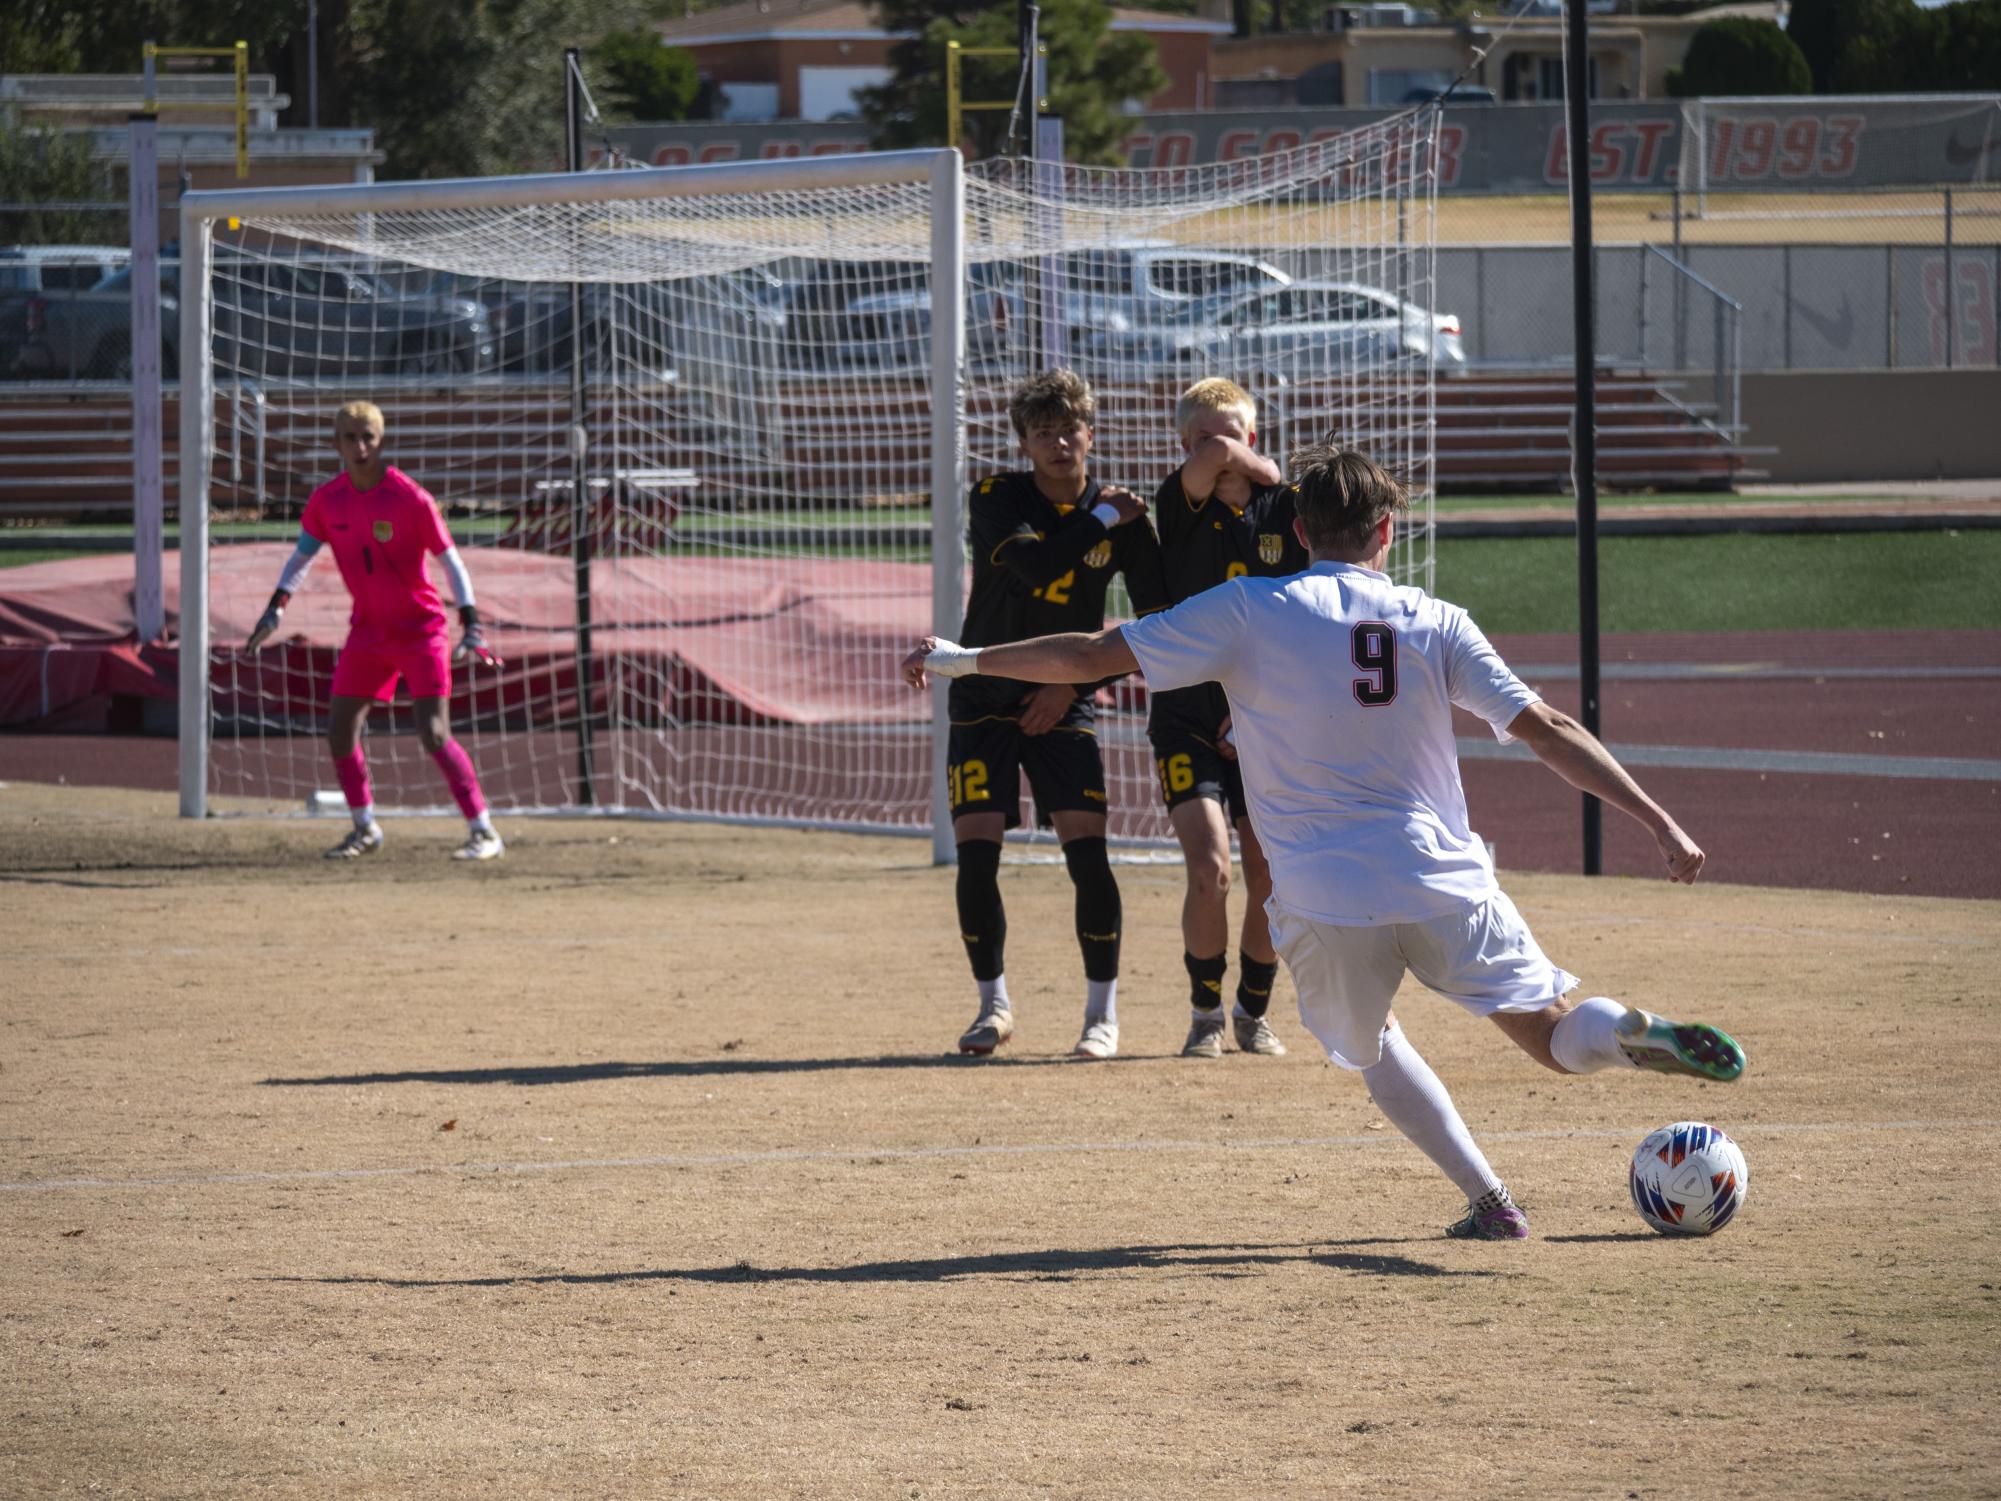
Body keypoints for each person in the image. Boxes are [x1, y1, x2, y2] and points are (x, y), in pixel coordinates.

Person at [902, 441, 1745, 1239]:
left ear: (1298, 531)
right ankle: (1628, 1032)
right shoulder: (1435, 618)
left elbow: (1090, 654)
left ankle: (1490, 1200)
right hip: (1442, 877)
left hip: (1321, 893)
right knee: (1558, 1038)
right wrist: (1659, 821)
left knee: (1369, 1045)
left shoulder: (1249, 607)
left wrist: (965, 657)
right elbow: (1547, 726)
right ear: (1386, 531)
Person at [943, 368, 1168, 1062]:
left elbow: (1160, 621)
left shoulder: (1124, 519)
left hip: (1064, 698)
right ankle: (992, 1005)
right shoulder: (997, 496)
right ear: (1025, 444)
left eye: (1069, 429)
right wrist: (1101, 518)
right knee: (976, 855)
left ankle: (1101, 1017)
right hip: (983, 692)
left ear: (1089, 434)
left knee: (1087, 853)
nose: (1058, 443)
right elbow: (1036, 570)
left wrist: (1070, 687)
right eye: (1043, 433)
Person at [246, 400, 506, 862]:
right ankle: (365, 826)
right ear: (336, 444)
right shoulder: (328, 501)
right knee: (340, 728)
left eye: (368, 436)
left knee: (432, 732)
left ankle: (483, 829)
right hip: (368, 631)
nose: (360, 446)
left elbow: (451, 561)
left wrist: (471, 624)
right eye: (350, 437)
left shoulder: (410, 498)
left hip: (422, 630)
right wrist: (276, 608)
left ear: (381, 440)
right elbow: (301, 557)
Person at [1147, 378, 1303, 1060]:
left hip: (1264, 718)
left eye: (1228, 435)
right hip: (1186, 714)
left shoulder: (1289, 510)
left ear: (1253, 437)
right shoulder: (1176, 505)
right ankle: (1204, 1009)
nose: (1216, 450)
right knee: (1210, 866)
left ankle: (1252, 1010)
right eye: (1201, 440)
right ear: (1183, 447)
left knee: (1269, 871)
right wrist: (1229, 459)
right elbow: (1217, 469)